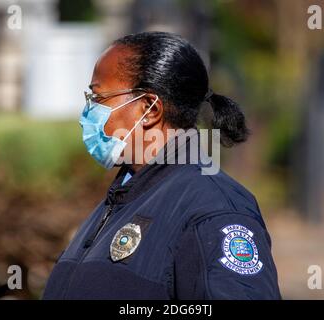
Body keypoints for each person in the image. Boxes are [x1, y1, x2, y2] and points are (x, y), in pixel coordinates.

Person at [43, 31, 281, 300]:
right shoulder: (124, 196)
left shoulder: (215, 208)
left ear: (149, 108)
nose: (87, 113)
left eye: (97, 98)